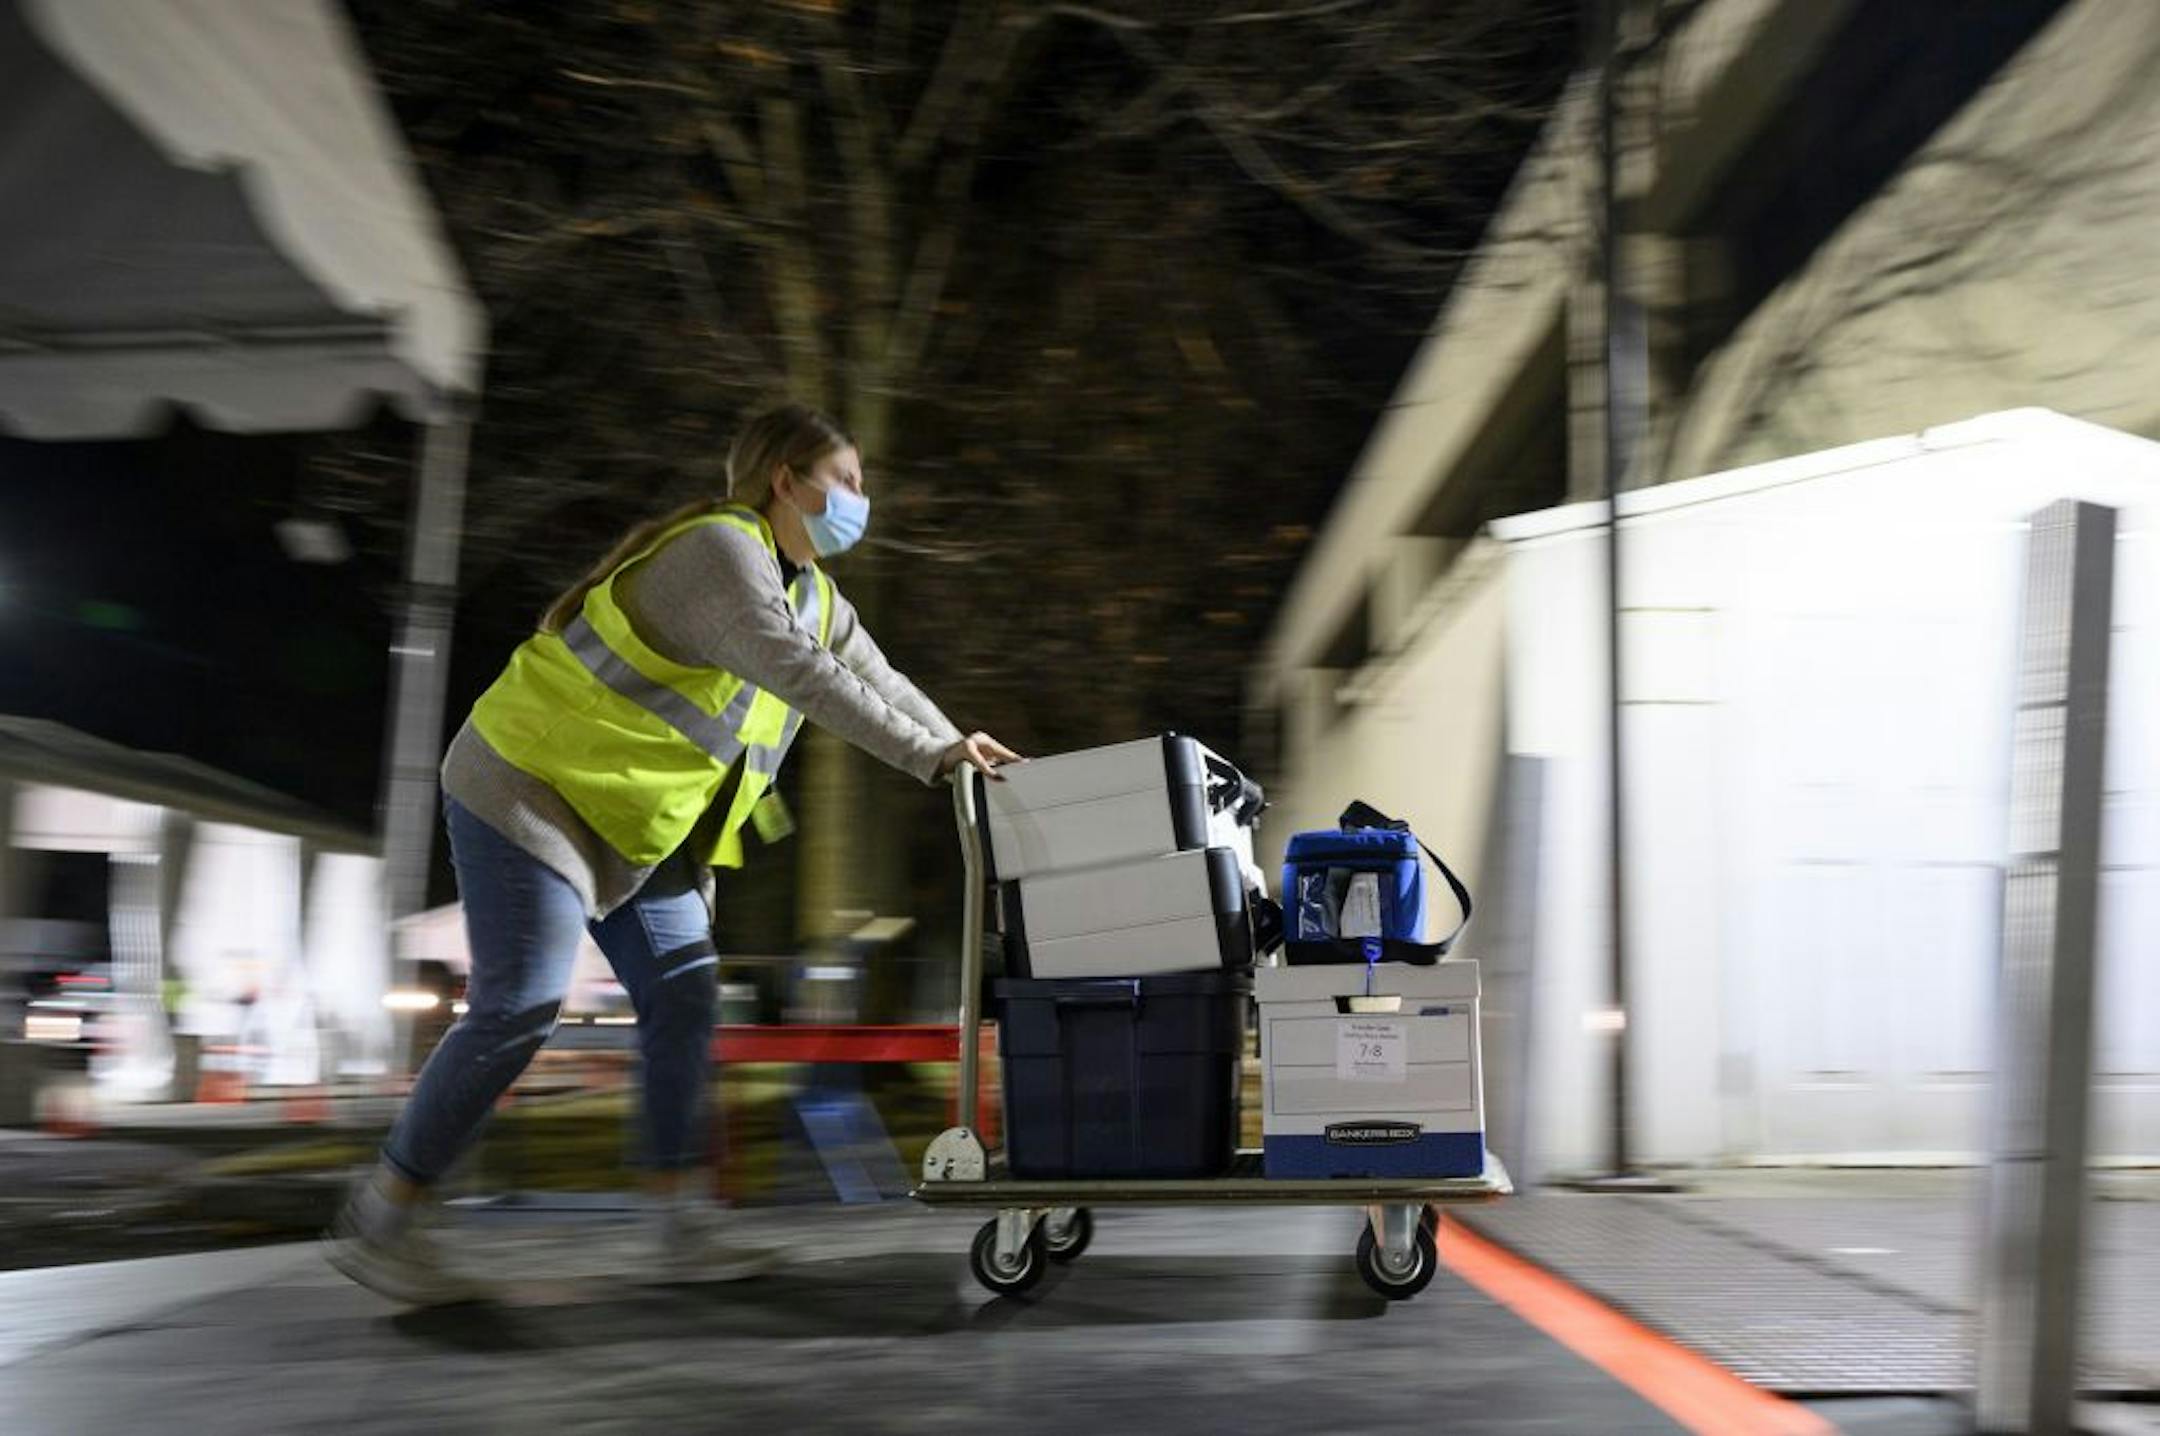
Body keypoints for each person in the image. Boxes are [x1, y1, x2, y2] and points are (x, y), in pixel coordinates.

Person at [328, 402, 1020, 1303]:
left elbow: (875, 676)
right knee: (522, 1000)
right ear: (786, 480)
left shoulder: (813, 595)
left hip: (630, 827)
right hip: (527, 787)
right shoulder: (719, 555)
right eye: (846, 480)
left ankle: (676, 1224)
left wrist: (961, 745)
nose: (860, 500)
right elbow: (808, 678)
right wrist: (931, 760)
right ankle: (383, 1213)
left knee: (685, 999)